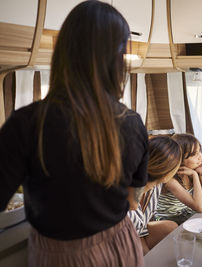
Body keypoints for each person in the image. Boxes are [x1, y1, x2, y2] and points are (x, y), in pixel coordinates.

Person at [0, 1, 148, 266]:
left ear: (62, 51)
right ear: (117, 61)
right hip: (123, 241)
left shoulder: (28, 123)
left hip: (62, 255)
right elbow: (131, 198)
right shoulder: (133, 122)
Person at [154, 133, 202, 224]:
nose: (200, 157)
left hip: (186, 216)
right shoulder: (170, 180)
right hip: (169, 221)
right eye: (194, 154)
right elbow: (199, 207)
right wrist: (195, 176)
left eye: (199, 151)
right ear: (180, 158)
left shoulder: (195, 171)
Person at [128, 136, 181, 255]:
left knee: (170, 226)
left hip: (135, 234)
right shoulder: (127, 193)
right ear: (166, 175)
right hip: (117, 242)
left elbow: (139, 230)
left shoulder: (155, 187)